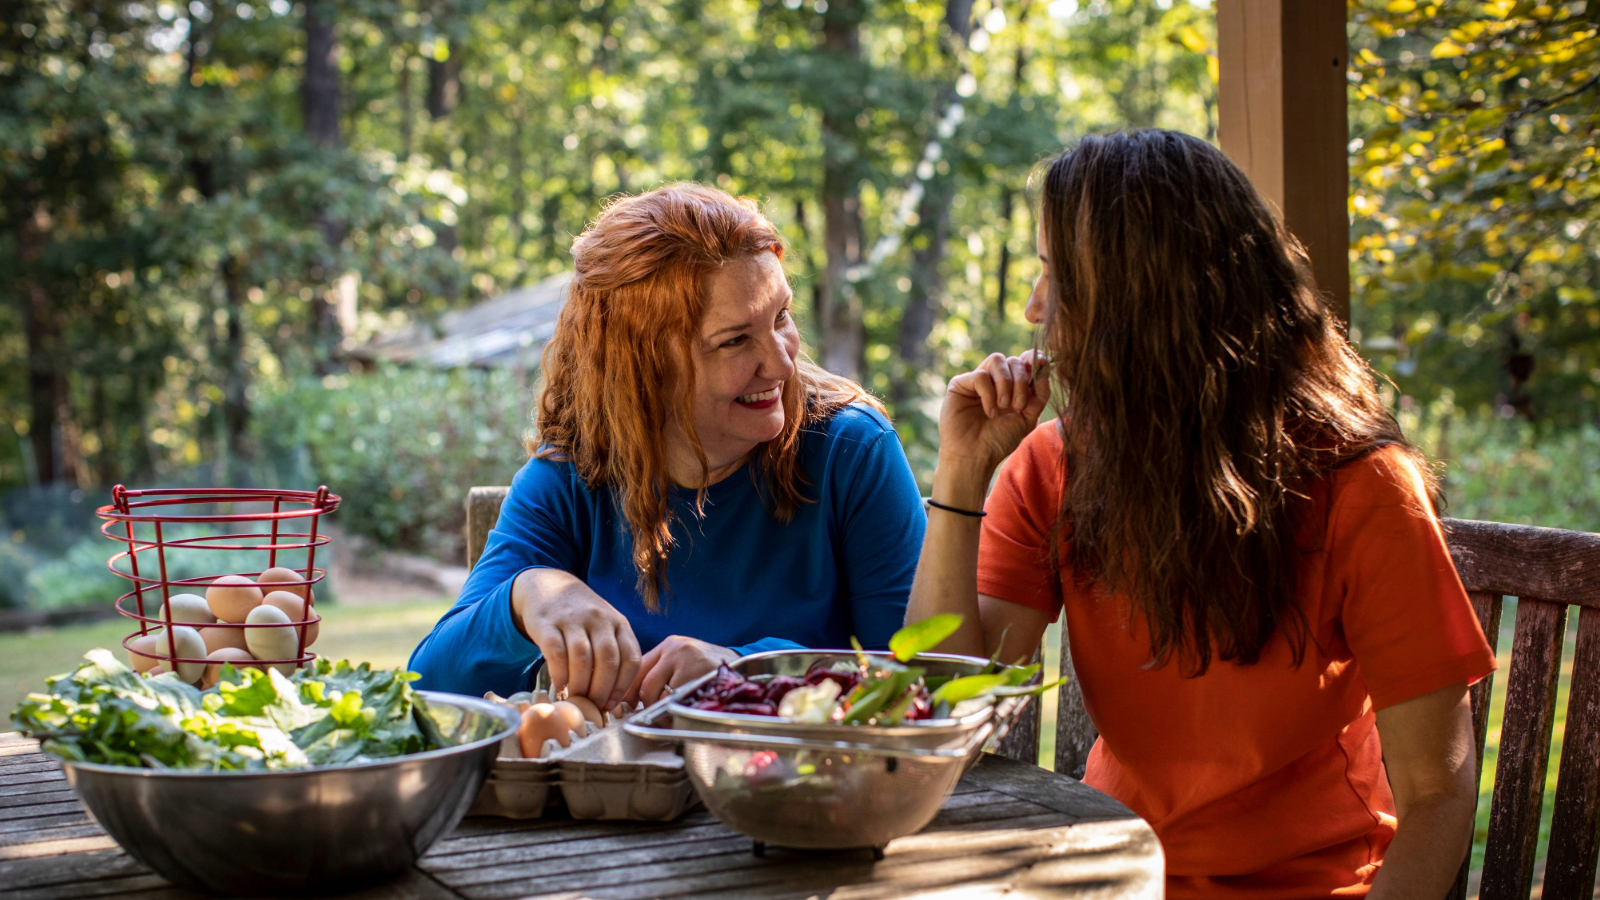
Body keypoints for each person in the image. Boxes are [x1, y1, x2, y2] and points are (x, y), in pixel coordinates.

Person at [906, 130, 1494, 899]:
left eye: (1059, 275)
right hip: (1108, 877)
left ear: (1143, 299)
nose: (1032, 307)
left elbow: (1437, 795)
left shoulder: (1361, 488)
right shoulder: (1052, 467)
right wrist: (961, 473)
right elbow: (952, 709)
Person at [410, 184, 926, 711]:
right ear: (644, 369)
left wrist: (745, 671)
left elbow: (915, 677)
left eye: (781, 319)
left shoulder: (851, 450)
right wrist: (525, 597)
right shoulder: (571, 478)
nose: (781, 364)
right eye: (735, 340)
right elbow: (428, 682)